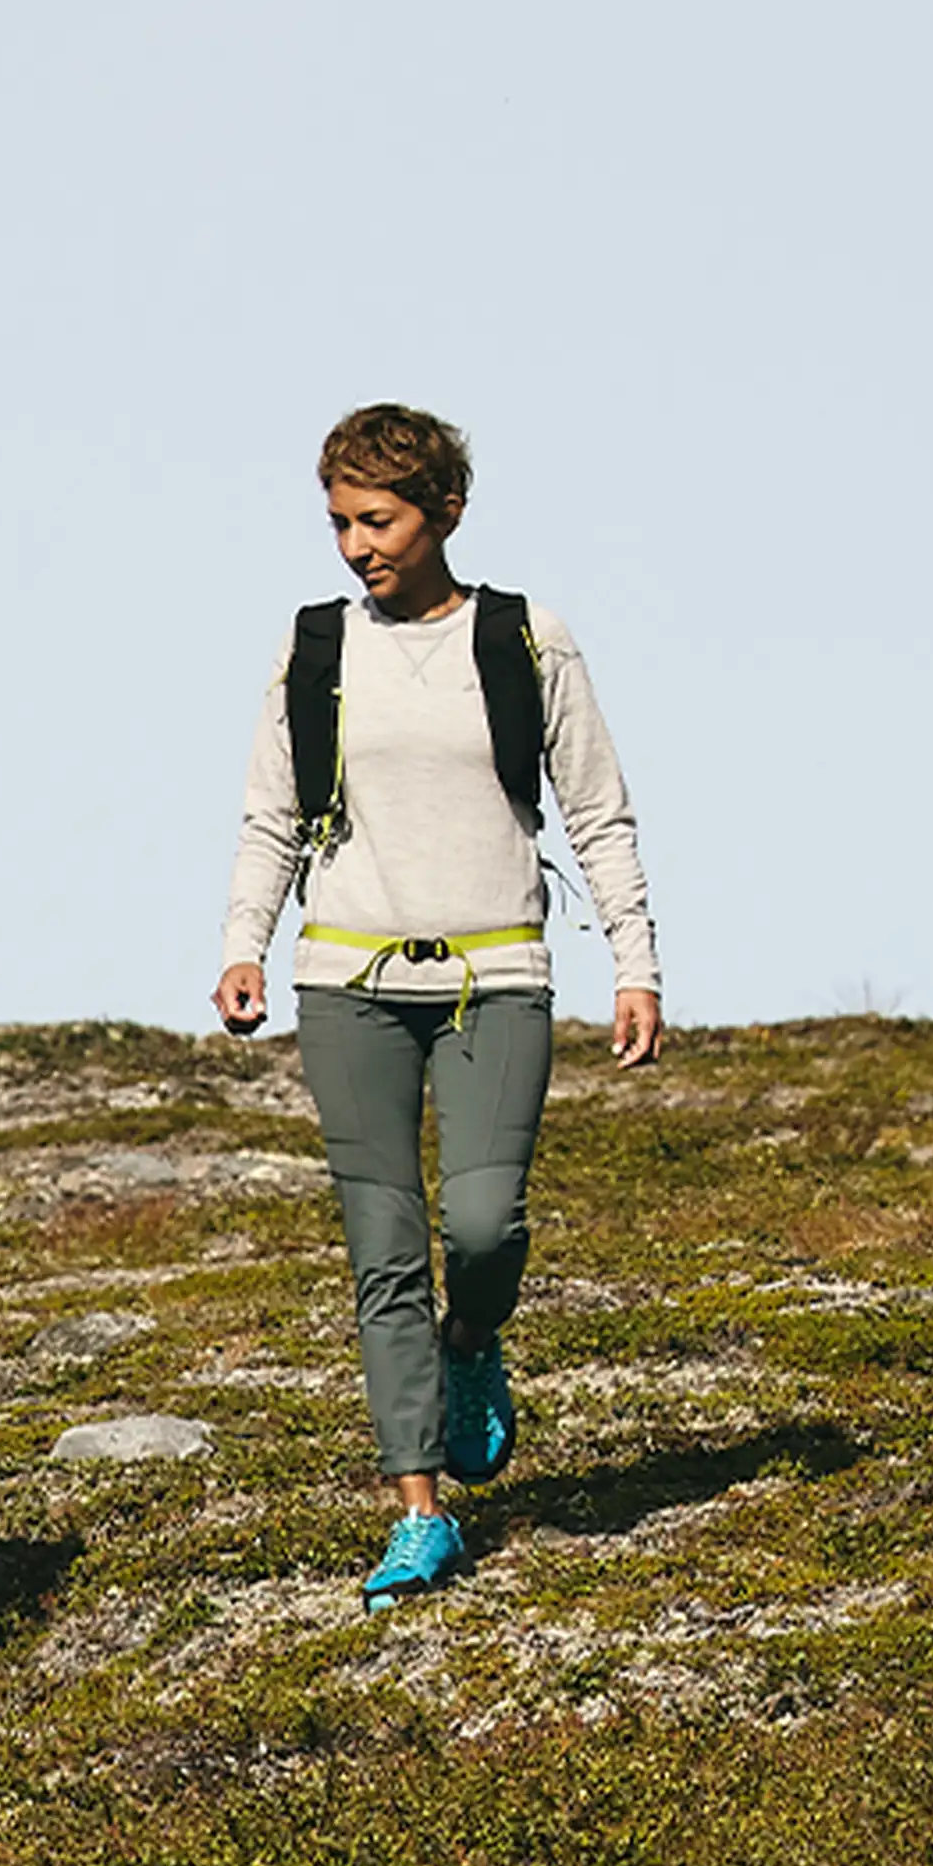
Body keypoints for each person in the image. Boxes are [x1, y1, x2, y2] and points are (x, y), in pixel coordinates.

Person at [215, 404, 659, 1613]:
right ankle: (419, 1511)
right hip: (345, 980)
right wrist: (244, 944)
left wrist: (637, 960)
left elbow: (596, 810)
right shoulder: (315, 651)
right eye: (340, 523)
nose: (357, 546)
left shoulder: (526, 641)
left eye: (379, 520)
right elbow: (269, 813)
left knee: (481, 1226)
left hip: (497, 973)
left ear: (445, 512)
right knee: (383, 1250)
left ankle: (475, 1347)